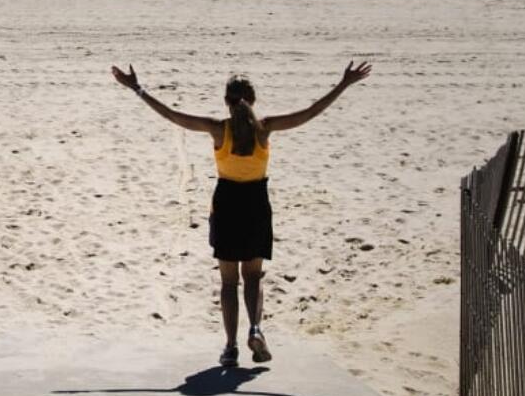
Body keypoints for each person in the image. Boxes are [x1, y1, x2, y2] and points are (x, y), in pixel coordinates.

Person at [110, 60, 372, 368]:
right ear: (254, 99)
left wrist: (137, 88)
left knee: (227, 281)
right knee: (253, 277)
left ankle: (231, 346)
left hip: (227, 205)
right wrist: (343, 84)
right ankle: (256, 329)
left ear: (226, 101)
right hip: (256, 204)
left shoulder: (218, 129)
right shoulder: (265, 129)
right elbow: (310, 112)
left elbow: (173, 115)